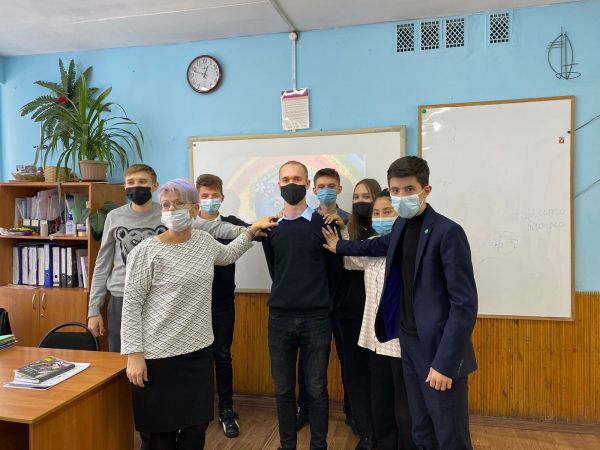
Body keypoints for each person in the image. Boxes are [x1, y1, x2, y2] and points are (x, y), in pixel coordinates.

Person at [324, 156, 478, 450]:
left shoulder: (448, 232)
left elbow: (464, 305)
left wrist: (445, 363)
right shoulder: (399, 228)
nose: (401, 196)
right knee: (420, 429)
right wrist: (339, 245)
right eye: (395, 190)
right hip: (408, 343)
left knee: (449, 434)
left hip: (438, 351)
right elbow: (371, 246)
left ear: (426, 190)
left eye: (409, 190)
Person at [121, 178, 276, 450]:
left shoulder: (204, 241)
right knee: (160, 436)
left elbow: (227, 255)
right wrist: (134, 355)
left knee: (196, 428)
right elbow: (132, 306)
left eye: (179, 204)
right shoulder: (145, 252)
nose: (171, 210)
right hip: (158, 358)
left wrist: (251, 231)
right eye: (166, 205)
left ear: (195, 208)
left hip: (198, 353)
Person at [87, 164, 246, 352]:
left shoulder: (168, 212)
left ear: (154, 186)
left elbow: (212, 227)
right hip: (121, 297)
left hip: (160, 298)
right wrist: (94, 309)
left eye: (143, 182)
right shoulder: (114, 216)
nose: (137, 186)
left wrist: (248, 230)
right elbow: (102, 264)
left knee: (157, 357)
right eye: (131, 182)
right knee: (123, 358)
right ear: (125, 186)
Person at [323, 189, 416, 450]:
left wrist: (342, 243)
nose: (381, 217)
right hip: (374, 337)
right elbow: (353, 261)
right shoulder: (372, 241)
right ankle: (384, 443)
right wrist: (341, 236)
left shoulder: (407, 243)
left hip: (399, 339)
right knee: (380, 397)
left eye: (388, 212)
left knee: (404, 405)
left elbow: (365, 249)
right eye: (377, 213)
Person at [262, 161, 342, 450]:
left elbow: (334, 273)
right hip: (280, 319)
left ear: (308, 185)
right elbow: (276, 270)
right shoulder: (270, 228)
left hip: (316, 319)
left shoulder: (326, 225)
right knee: (283, 389)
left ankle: (319, 445)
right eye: (286, 179)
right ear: (279, 184)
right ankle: (287, 445)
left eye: (297, 179)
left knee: (317, 389)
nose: (291, 183)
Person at [297, 167, 352, 431]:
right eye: (321, 186)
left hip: (344, 301)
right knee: (306, 362)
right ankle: (304, 408)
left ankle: (352, 411)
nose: (326, 190)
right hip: (313, 302)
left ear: (339, 189)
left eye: (331, 186)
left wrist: (344, 231)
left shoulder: (350, 220)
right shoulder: (306, 220)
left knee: (348, 358)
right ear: (313, 189)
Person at [196, 173, 250, 438]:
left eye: (214, 195)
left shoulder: (233, 224)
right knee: (198, 358)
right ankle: (198, 411)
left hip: (223, 303)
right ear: (196, 199)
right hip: (193, 304)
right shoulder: (187, 226)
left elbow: (257, 231)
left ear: (222, 197)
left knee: (223, 356)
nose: (209, 200)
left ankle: (226, 411)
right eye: (204, 196)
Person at [333, 178, 382, 449]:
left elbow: (361, 258)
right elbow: (348, 263)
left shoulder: (384, 228)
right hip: (349, 312)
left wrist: (343, 243)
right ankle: (365, 428)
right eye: (356, 197)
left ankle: (379, 425)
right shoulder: (346, 227)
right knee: (354, 372)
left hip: (377, 314)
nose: (360, 201)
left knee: (377, 373)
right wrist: (343, 237)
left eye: (366, 196)